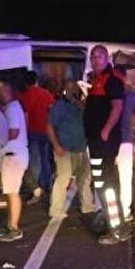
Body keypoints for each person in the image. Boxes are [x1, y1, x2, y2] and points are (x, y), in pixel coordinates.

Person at [84, 45, 128, 244]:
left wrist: (105, 130)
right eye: (93, 57)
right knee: (102, 184)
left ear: (107, 58)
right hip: (95, 142)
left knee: (108, 185)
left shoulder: (111, 80)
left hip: (104, 142)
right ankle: (110, 221)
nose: (96, 60)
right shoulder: (97, 80)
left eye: (100, 56)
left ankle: (117, 229)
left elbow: (117, 106)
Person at [47, 80, 96, 219]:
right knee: (63, 177)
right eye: (69, 89)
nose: (72, 92)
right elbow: (50, 126)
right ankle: (56, 209)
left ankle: (87, 206)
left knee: (84, 177)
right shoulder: (59, 106)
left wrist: (79, 103)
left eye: (74, 89)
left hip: (81, 146)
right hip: (65, 147)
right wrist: (56, 145)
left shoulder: (80, 104)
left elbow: (88, 117)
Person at [0, 80, 29, 241]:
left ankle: (14, 228)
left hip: (12, 156)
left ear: (7, 92)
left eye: (0, 92)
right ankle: (10, 225)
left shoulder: (12, 109)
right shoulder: (13, 107)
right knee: (9, 193)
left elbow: (13, 132)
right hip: (13, 155)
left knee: (13, 193)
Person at [19, 70, 56, 205]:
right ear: (36, 80)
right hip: (46, 131)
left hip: (32, 131)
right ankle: (47, 186)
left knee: (34, 161)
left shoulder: (24, 95)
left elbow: (24, 115)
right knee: (45, 159)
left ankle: (36, 190)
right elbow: (53, 109)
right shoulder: (46, 93)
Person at [113, 64, 135, 221]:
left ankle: (103, 209)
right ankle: (124, 211)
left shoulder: (107, 93)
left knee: (107, 175)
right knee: (124, 177)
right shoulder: (131, 95)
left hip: (109, 141)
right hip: (125, 141)